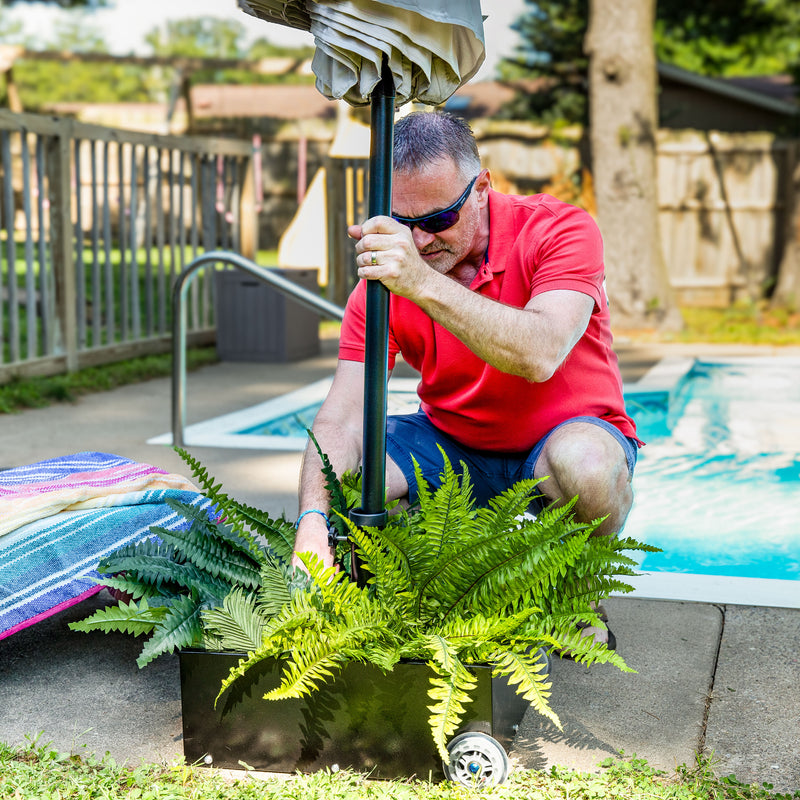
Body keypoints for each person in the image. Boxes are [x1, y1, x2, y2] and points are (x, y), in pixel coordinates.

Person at [292, 110, 640, 643]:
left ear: (482, 189)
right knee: (350, 485)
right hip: (453, 441)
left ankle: (580, 597)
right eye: (401, 223)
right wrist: (311, 522)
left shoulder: (559, 229)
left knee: (588, 467)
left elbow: (539, 353)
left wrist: (418, 284)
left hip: (563, 437)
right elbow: (340, 416)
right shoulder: (381, 286)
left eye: (436, 220)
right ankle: (416, 608)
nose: (419, 242)